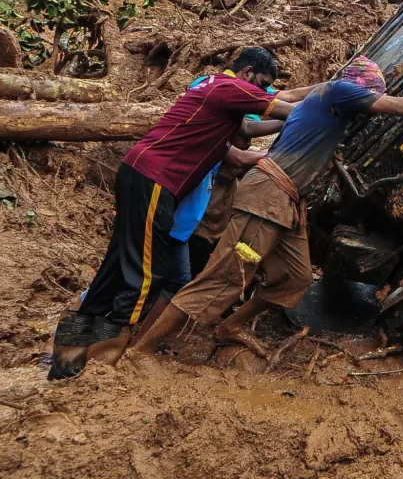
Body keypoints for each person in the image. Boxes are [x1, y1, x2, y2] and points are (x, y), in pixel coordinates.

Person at [132, 56, 403, 358]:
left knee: (296, 277)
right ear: (357, 89)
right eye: (368, 96)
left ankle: (231, 327)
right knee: (224, 276)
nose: (368, 103)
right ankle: (142, 350)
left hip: (286, 203)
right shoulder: (340, 91)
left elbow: (293, 105)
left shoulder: (324, 98)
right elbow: (402, 107)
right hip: (267, 198)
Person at [49, 47, 316, 380]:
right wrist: (333, 106)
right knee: (146, 273)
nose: (263, 93)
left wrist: (322, 92)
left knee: (118, 263)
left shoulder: (216, 99)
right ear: (247, 74)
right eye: (261, 85)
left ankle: (67, 357)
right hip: (157, 178)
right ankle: (103, 363)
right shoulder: (230, 87)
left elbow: (251, 130)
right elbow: (291, 108)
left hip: (141, 171)